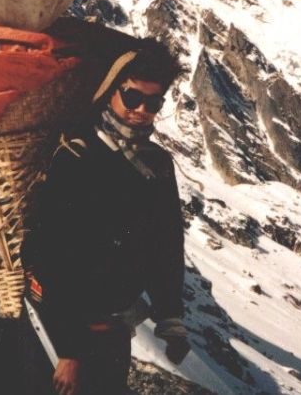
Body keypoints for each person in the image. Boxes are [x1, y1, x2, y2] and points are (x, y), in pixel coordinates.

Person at [18, 40, 190, 395]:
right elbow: (52, 251)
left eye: (153, 102)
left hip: (116, 327)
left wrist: (170, 318)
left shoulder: (157, 164)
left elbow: (166, 242)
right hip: (63, 329)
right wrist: (68, 349)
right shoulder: (76, 154)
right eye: (132, 98)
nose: (141, 109)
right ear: (111, 92)